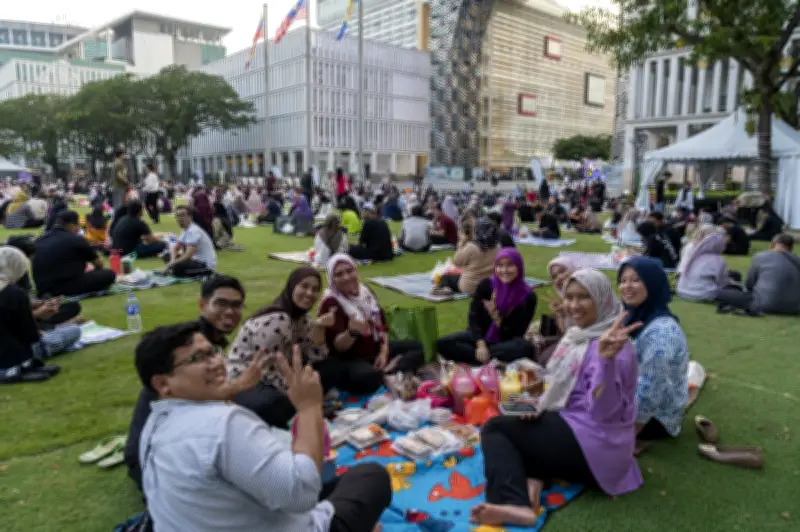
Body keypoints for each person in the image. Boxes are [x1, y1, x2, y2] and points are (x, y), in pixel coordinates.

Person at [135, 322, 391, 532]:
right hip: (292, 513)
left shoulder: (155, 424)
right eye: (197, 358)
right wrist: (309, 407)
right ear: (163, 384)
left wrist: (235, 388)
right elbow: (302, 493)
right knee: (371, 476)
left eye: (213, 352)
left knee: (335, 481)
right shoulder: (223, 424)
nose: (216, 363)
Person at [472, 269, 642, 527]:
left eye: (583, 297)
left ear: (601, 298)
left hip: (596, 447)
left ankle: (513, 503)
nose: (574, 305)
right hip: (575, 425)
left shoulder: (614, 346)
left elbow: (604, 412)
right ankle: (534, 482)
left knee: (495, 428)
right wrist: (536, 403)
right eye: (569, 297)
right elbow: (559, 384)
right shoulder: (579, 335)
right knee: (515, 411)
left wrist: (605, 361)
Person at [124, 276, 250, 490]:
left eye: (236, 305)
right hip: (154, 466)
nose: (230, 311)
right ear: (202, 305)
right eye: (221, 303)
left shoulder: (202, 340)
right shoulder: (189, 346)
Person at [227, 268, 342, 428]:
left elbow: (317, 357)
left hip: (281, 374)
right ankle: (306, 409)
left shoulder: (303, 319)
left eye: (315, 289)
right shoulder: (277, 320)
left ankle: (303, 408)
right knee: (275, 404)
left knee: (332, 366)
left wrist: (320, 329)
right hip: (247, 379)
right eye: (304, 286)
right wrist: (300, 394)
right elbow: (267, 372)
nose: (309, 293)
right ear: (292, 286)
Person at [317, 254, 424, 394]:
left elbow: (382, 327)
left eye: (349, 271)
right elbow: (337, 348)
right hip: (351, 359)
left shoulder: (365, 292)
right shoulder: (331, 303)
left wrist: (384, 353)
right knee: (366, 378)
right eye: (339, 274)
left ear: (356, 270)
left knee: (417, 347)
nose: (346, 277)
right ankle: (390, 372)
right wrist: (352, 332)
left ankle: (387, 371)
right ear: (331, 279)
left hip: (375, 349)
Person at [617, 257, 688, 447]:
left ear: (652, 283)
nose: (627, 286)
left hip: (655, 416)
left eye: (636, 280)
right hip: (635, 394)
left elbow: (651, 390)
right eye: (623, 280)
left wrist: (631, 433)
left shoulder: (661, 334)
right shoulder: (637, 315)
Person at [437, 248, 537, 364]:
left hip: (504, 342)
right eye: (500, 265)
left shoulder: (527, 296)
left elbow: (517, 333)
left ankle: (479, 358)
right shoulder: (486, 286)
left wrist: (497, 319)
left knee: (524, 347)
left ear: (519, 267)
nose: (504, 270)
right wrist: (481, 344)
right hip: (479, 338)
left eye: (510, 265)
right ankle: (487, 358)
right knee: (443, 343)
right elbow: (473, 318)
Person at [0, 246, 80, 384]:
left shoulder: (13, 294)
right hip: (11, 354)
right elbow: (29, 335)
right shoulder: (14, 293)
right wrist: (38, 316)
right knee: (73, 331)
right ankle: (19, 368)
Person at [32, 210, 116, 297]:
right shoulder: (77, 240)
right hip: (63, 287)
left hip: (42, 287)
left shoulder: (41, 239)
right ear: (72, 225)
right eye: (77, 226)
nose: (78, 229)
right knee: (109, 274)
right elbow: (99, 264)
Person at [717, 233, 800, 316]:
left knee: (720, 293)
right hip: (794, 308)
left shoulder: (761, 257)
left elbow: (749, 284)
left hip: (763, 304)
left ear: (772, 244)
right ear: (791, 247)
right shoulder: (797, 261)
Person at [437, 217, 499, 295]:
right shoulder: (498, 247)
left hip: (469, 286)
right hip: (489, 286)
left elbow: (456, 262)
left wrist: (461, 243)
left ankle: (446, 289)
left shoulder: (471, 247)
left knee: (446, 277)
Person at [164, 205, 217, 278]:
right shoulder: (185, 230)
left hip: (205, 266)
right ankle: (174, 270)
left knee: (177, 267)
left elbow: (188, 255)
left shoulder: (193, 231)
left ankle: (175, 271)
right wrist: (172, 261)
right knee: (167, 256)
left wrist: (172, 264)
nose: (179, 218)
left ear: (190, 217)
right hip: (194, 261)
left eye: (182, 215)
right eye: (177, 216)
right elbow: (175, 248)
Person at [676, 231, 729, 302]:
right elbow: (723, 282)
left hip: (682, 291)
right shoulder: (718, 259)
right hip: (703, 295)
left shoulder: (695, 256)